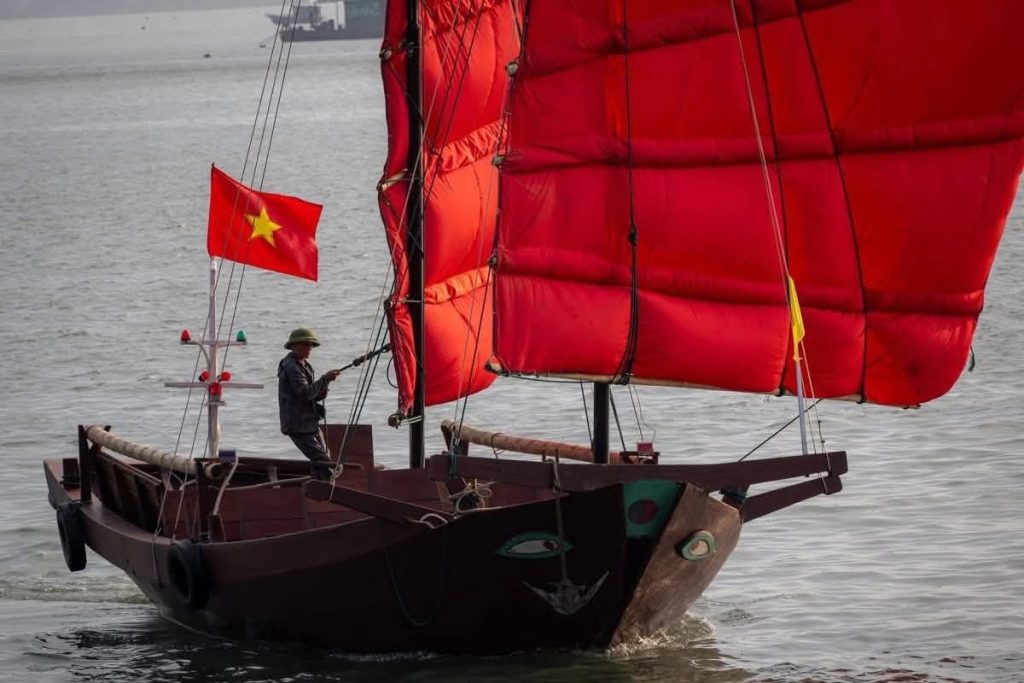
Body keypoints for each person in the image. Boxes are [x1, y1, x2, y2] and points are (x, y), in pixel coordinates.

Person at [277, 328, 341, 479]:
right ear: (294, 346)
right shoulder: (291, 367)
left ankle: (319, 492)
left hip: (309, 423)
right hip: (297, 426)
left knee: (324, 460)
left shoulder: (304, 365)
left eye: (311, 345)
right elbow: (304, 393)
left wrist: (320, 394)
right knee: (324, 462)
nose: (309, 348)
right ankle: (325, 491)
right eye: (306, 344)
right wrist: (325, 379)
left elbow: (306, 396)